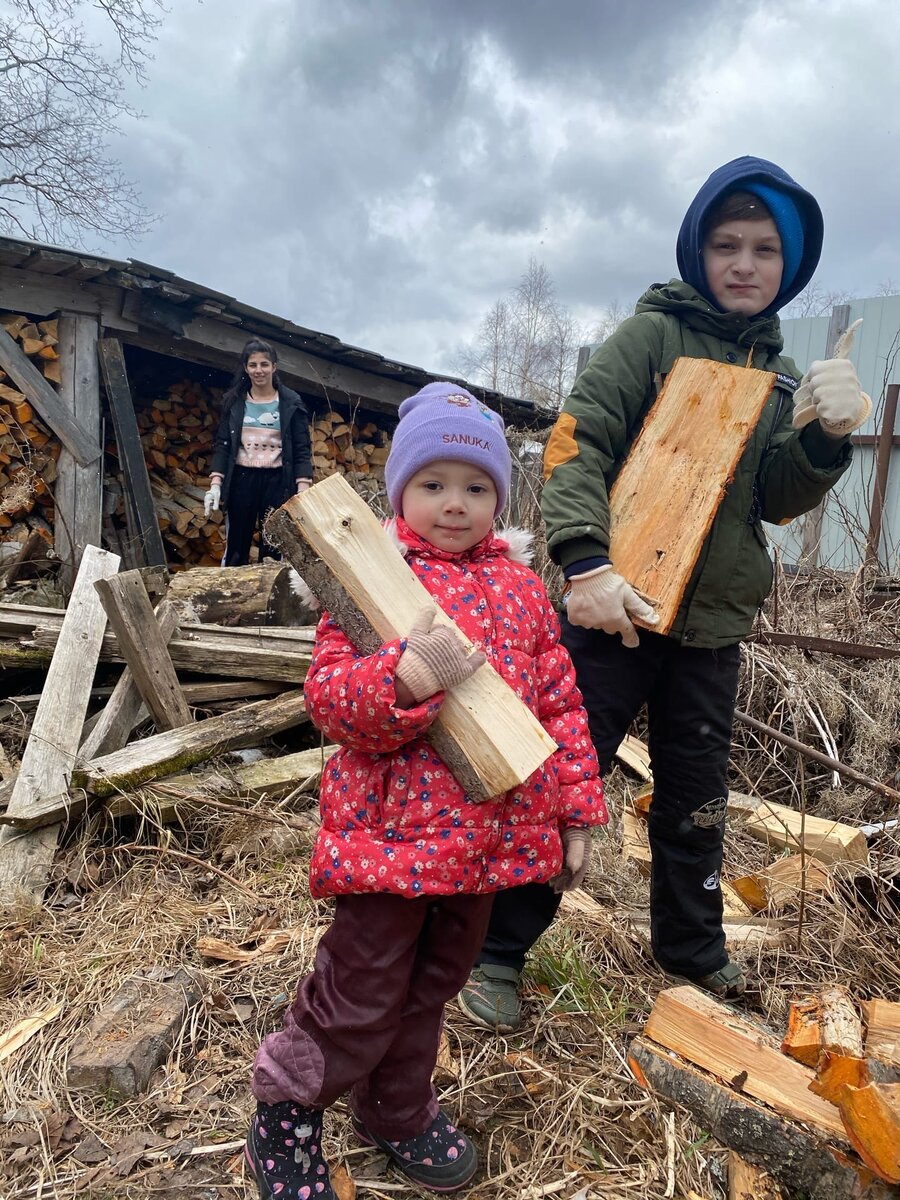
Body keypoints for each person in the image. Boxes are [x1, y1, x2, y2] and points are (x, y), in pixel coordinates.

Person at [459, 155, 868, 1033]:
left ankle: (691, 954)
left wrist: (828, 439)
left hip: (712, 628)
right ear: (698, 250)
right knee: (563, 784)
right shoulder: (649, 340)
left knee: (696, 800)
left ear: (789, 266)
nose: (745, 263)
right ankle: (495, 953)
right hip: (618, 615)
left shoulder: (779, 370)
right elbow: (577, 445)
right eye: (727, 244)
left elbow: (777, 499)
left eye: (765, 249)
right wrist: (584, 562)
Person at [244, 382, 607, 1199]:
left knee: (435, 983)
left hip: (484, 844)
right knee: (362, 987)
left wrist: (578, 807)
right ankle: (286, 1108)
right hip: (390, 840)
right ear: (401, 489)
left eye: (477, 487)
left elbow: (558, 704)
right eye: (434, 484)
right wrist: (402, 680)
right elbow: (331, 701)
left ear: (500, 499)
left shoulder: (521, 588)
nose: (456, 503)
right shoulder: (372, 579)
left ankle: (397, 1107)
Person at [204, 338, 313, 565]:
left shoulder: (291, 403)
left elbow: (302, 449)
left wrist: (303, 490)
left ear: (274, 366)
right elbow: (224, 445)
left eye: (264, 364)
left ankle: (270, 595)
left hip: (277, 481)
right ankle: (232, 592)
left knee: (273, 543)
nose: (259, 370)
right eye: (253, 365)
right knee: (237, 543)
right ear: (246, 368)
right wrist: (215, 484)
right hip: (242, 479)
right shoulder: (234, 402)